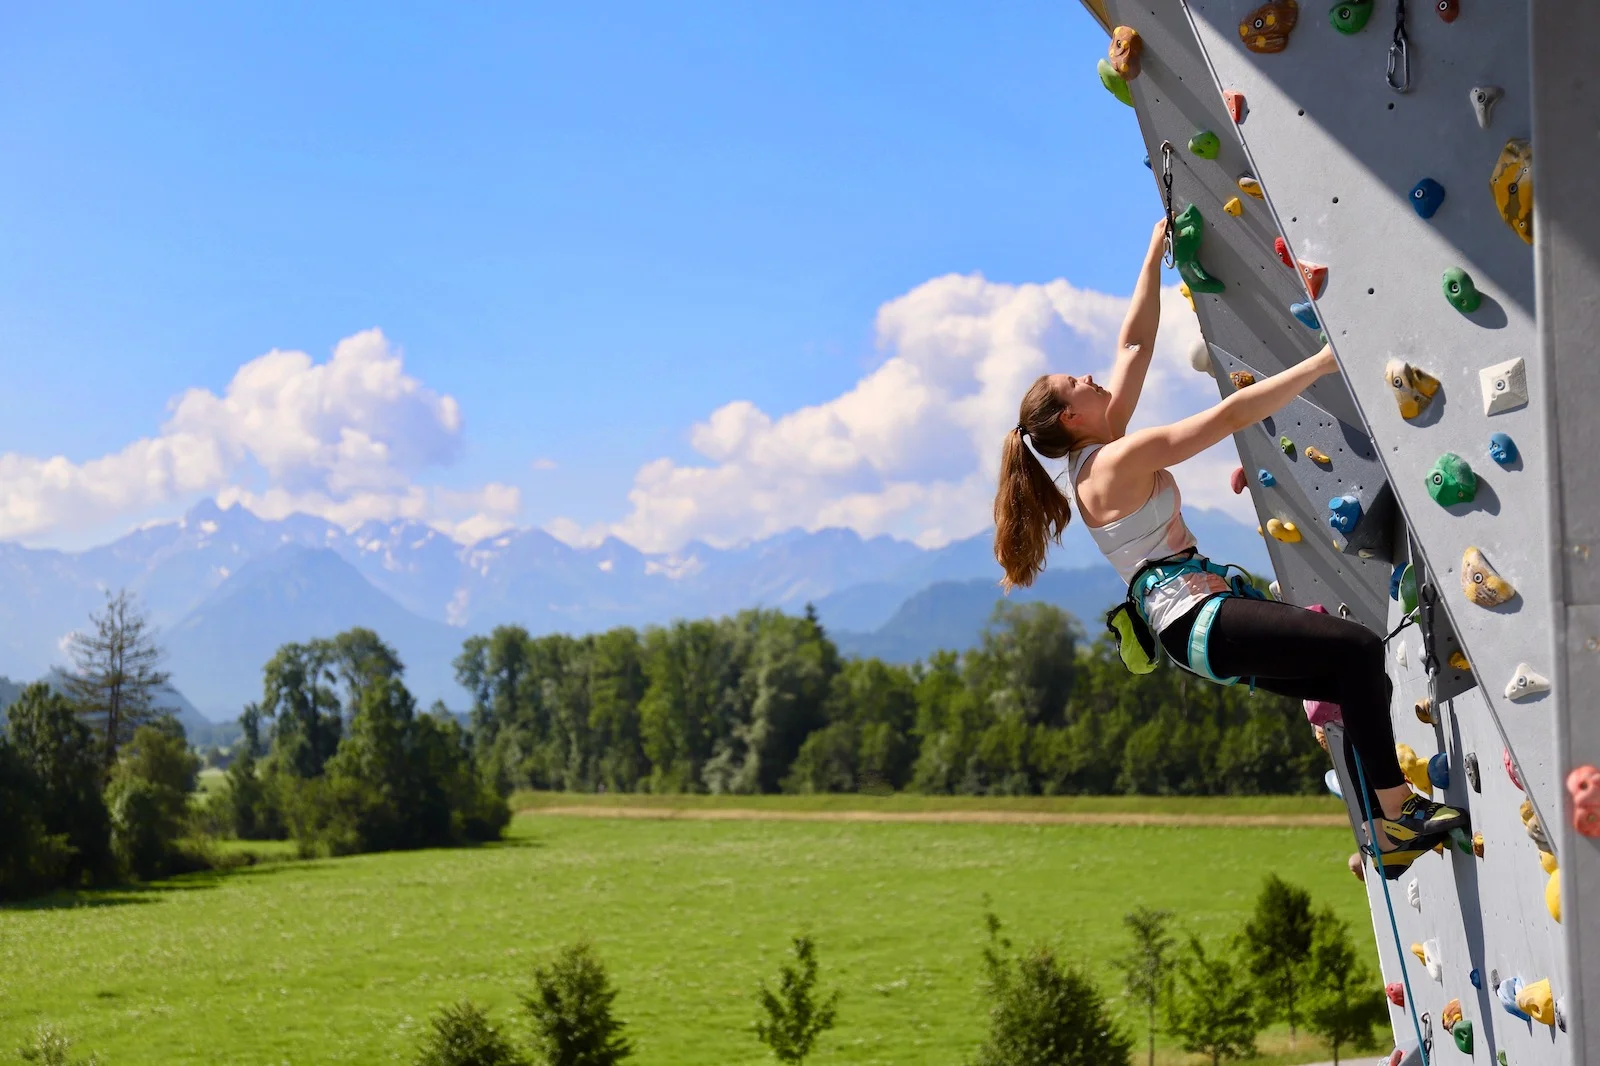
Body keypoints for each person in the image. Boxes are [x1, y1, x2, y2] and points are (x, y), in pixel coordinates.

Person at [991, 218, 1467, 872]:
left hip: (1195, 623)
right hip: (1196, 618)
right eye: (1080, 383)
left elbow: (1134, 345)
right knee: (1356, 650)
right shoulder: (1111, 464)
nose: (1094, 377)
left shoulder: (1098, 453)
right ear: (1070, 417)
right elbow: (1228, 416)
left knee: (1352, 671)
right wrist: (1325, 362)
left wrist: (1153, 252)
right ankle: (1394, 814)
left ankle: (1380, 836)